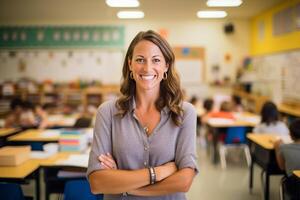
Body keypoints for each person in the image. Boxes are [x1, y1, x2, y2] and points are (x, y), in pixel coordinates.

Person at [87, 30, 198, 199]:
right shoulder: (107, 112)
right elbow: (97, 182)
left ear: (166, 66)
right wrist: (159, 172)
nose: (147, 68)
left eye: (156, 60)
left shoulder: (185, 113)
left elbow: (184, 182)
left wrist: (126, 187)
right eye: (140, 60)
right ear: (130, 64)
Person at [274, 119, 300, 199]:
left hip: (294, 185)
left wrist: (277, 147)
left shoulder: (283, 147)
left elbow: (282, 167)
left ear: (291, 134)